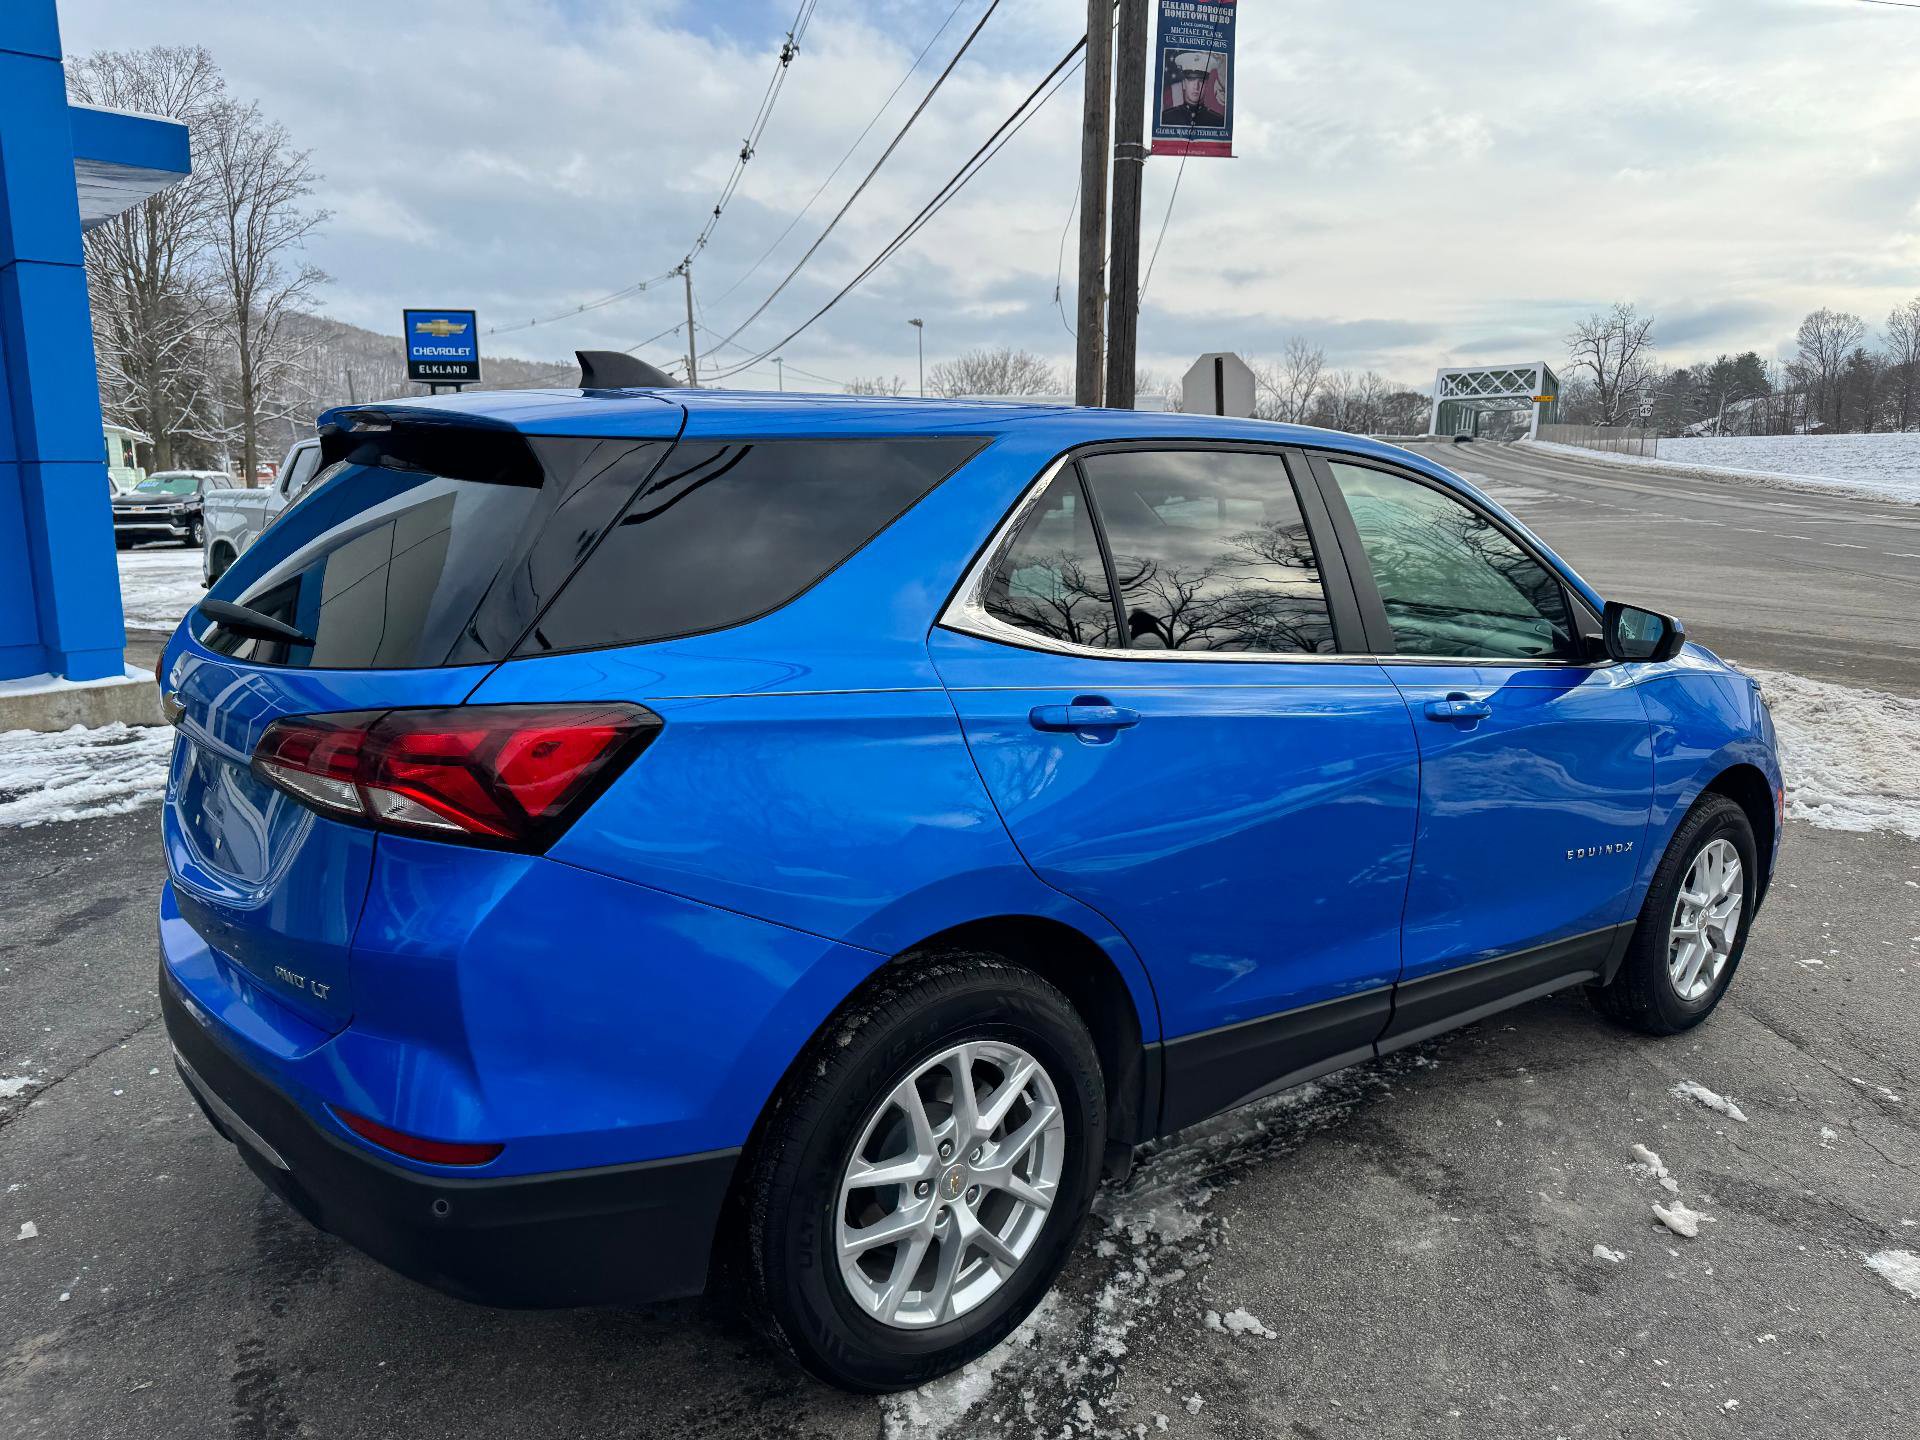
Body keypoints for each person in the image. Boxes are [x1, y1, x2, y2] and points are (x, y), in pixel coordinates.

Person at [1160, 50, 1225, 128]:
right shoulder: (1166, 118)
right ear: (1184, 84)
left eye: (1201, 81)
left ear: (1206, 85)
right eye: (1191, 80)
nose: (1196, 86)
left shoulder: (1218, 121)